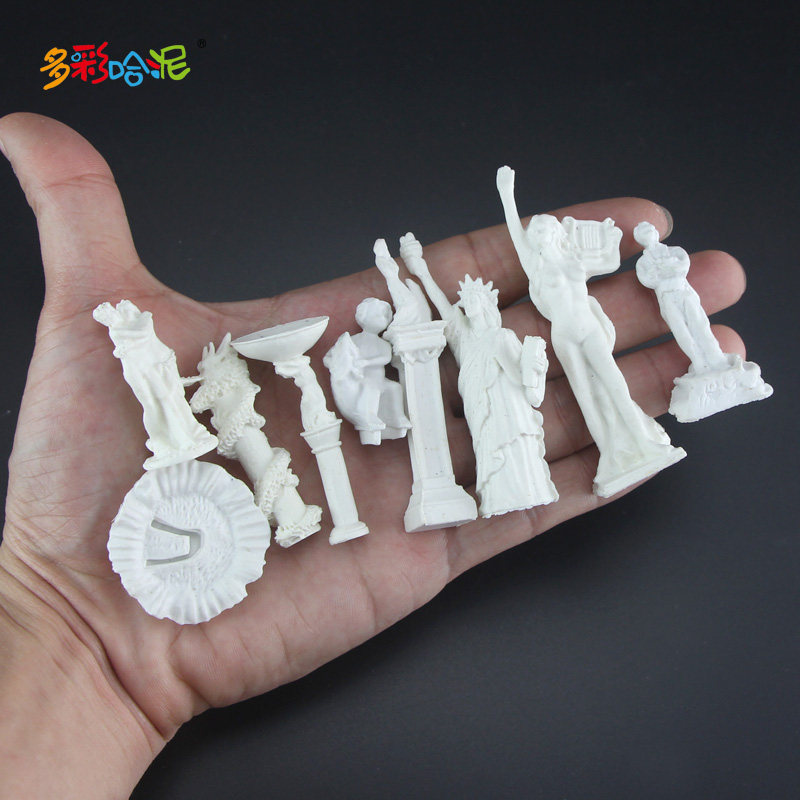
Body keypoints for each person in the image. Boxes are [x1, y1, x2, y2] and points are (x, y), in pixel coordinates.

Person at [0, 113, 747, 798]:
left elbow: (487, 335)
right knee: (438, 413)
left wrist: (71, 639)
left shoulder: (495, 320)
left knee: (541, 407)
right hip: (429, 403)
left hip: (492, 394)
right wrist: (69, 627)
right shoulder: (387, 343)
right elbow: (421, 339)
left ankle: (608, 443)